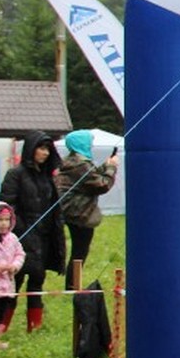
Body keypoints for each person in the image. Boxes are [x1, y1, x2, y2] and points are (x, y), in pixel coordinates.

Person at [0, 131, 64, 334]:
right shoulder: (15, 175)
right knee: (12, 286)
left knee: (37, 283)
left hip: (43, 239)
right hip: (19, 239)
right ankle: (0, 329)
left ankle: (34, 329)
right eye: (41, 148)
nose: (44, 153)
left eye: (47, 149)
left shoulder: (47, 178)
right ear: (31, 149)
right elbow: (7, 209)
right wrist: (18, 233)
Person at [53, 129, 118, 302]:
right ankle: (73, 288)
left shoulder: (73, 162)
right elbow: (101, 184)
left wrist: (105, 166)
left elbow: (91, 176)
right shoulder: (80, 165)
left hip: (72, 213)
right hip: (80, 215)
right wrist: (112, 168)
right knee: (80, 252)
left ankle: (73, 286)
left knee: (78, 251)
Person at [0, 201, 25, 348]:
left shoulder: (12, 238)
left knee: (1, 314)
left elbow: (20, 254)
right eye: (0, 220)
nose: (3, 224)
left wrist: (14, 266)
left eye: (6, 220)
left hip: (6, 285)